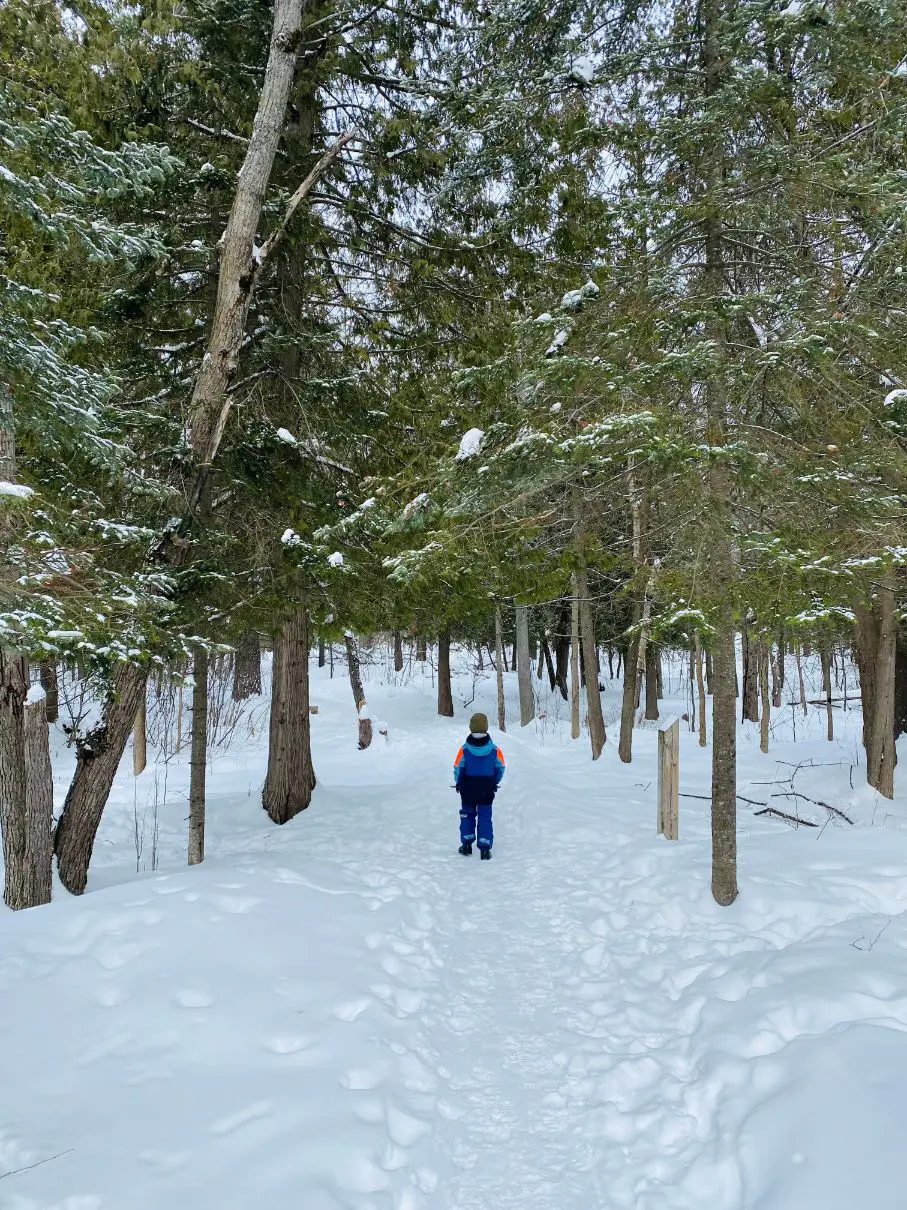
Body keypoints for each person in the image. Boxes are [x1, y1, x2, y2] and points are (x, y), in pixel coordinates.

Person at [453, 712, 505, 860]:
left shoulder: (464, 749)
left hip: (468, 788)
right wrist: (495, 781)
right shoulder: (495, 750)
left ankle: (466, 845)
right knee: (485, 816)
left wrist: (458, 782)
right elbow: (500, 767)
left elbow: (458, 767)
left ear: (471, 728)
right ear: (486, 728)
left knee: (467, 815)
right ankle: (485, 847)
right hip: (487, 788)